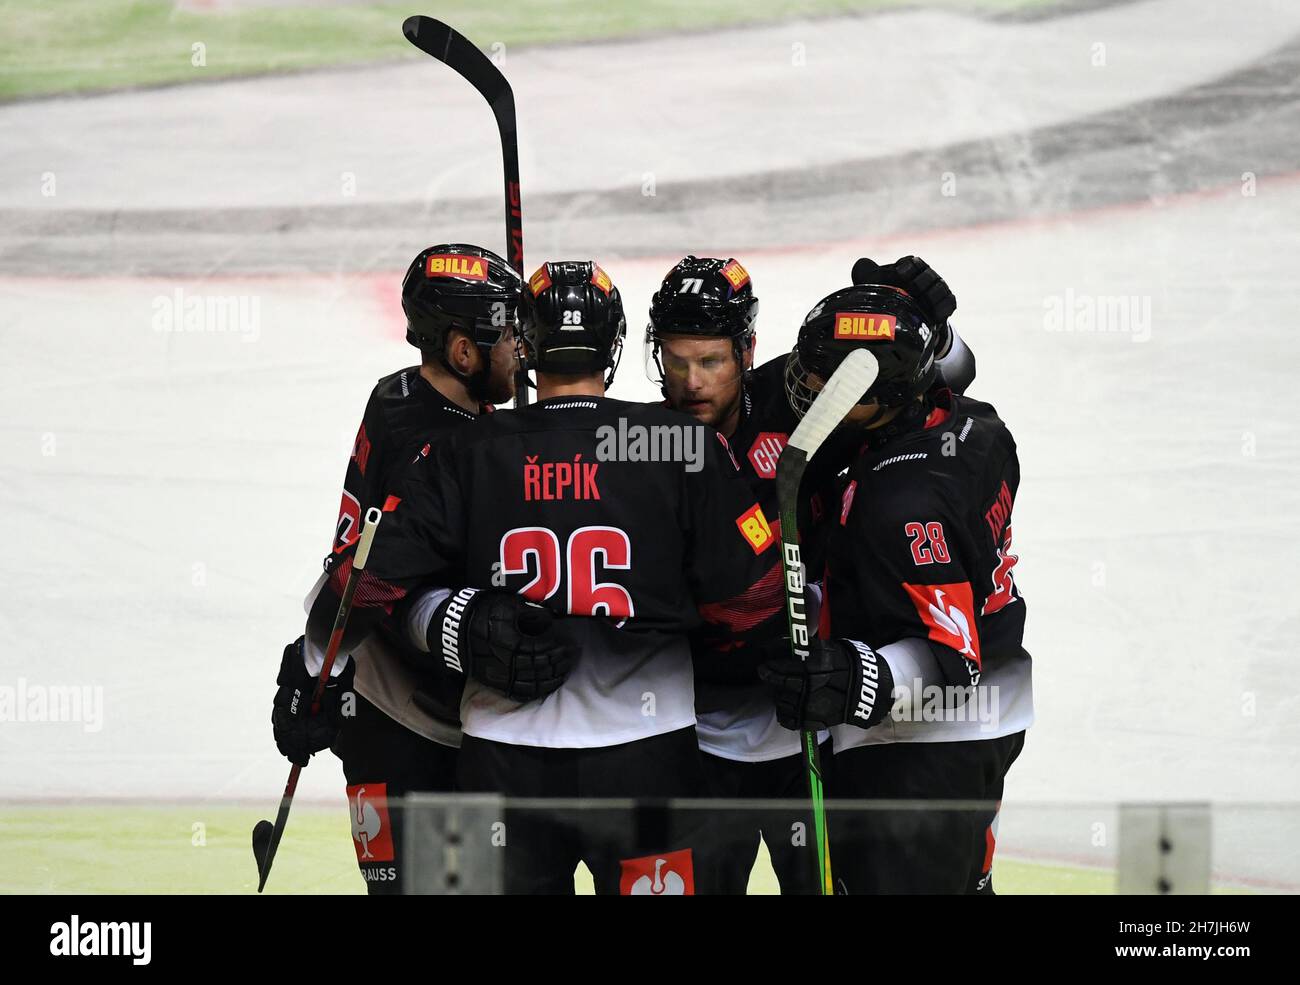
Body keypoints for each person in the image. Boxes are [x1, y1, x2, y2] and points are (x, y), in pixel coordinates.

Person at [305, 260, 786, 894]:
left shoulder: (467, 449)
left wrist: (317, 666)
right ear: (614, 347)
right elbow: (751, 606)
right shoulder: (676, 444)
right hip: (646, 753)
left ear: (526, 347)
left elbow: (365, 584)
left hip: (502, 758)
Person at [644, 253, 976, 894]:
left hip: (814, 729)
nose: (691, 383)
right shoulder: (641, 439)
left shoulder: (805, 399)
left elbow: (940, 388)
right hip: (697, 736)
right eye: (675, 361)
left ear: (746, 350)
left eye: (710, 361)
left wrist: (929, 326)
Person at [758, 276, 1033, 894]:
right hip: (991, 723)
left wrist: (853, 679)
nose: (809, 386)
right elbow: (950, 364)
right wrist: (916, 317)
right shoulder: (975, 424)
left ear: (881, 394)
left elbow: (953, 657)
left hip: (919, 749)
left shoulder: (902, 502)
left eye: (831, 380)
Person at [270, 243, 529, 893]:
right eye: (507, 333)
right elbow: (370, 580)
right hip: (415, 727)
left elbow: (354, 561)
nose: (522, 346)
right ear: (463, 353)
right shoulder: (450, 450)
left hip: (377, 703)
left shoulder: (395, 395)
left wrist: (310, 664)